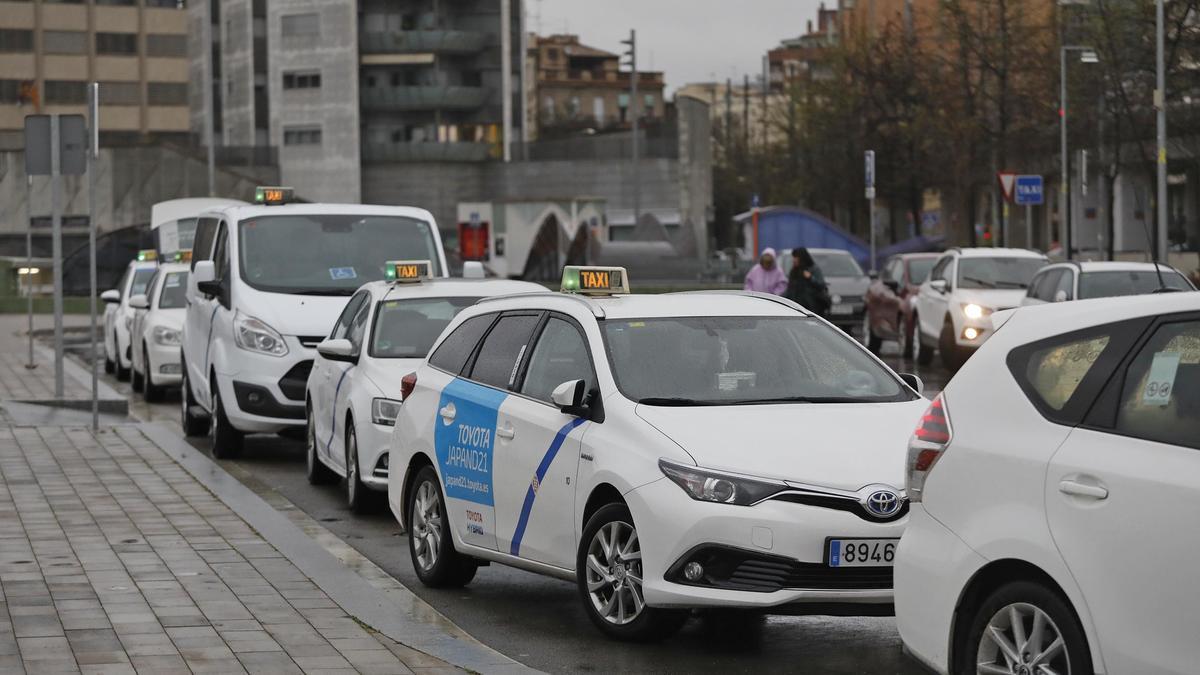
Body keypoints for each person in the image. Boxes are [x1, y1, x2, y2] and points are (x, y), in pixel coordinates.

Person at [786, 247, 831, 316]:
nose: (794, 260)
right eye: (793, 257)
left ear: (802, 258)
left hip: (812, 308)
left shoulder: (813, 269)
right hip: (796, 307)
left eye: (796, 257)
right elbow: (789, 290)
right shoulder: (794, 271)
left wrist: (810, 278)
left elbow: (821, 285)